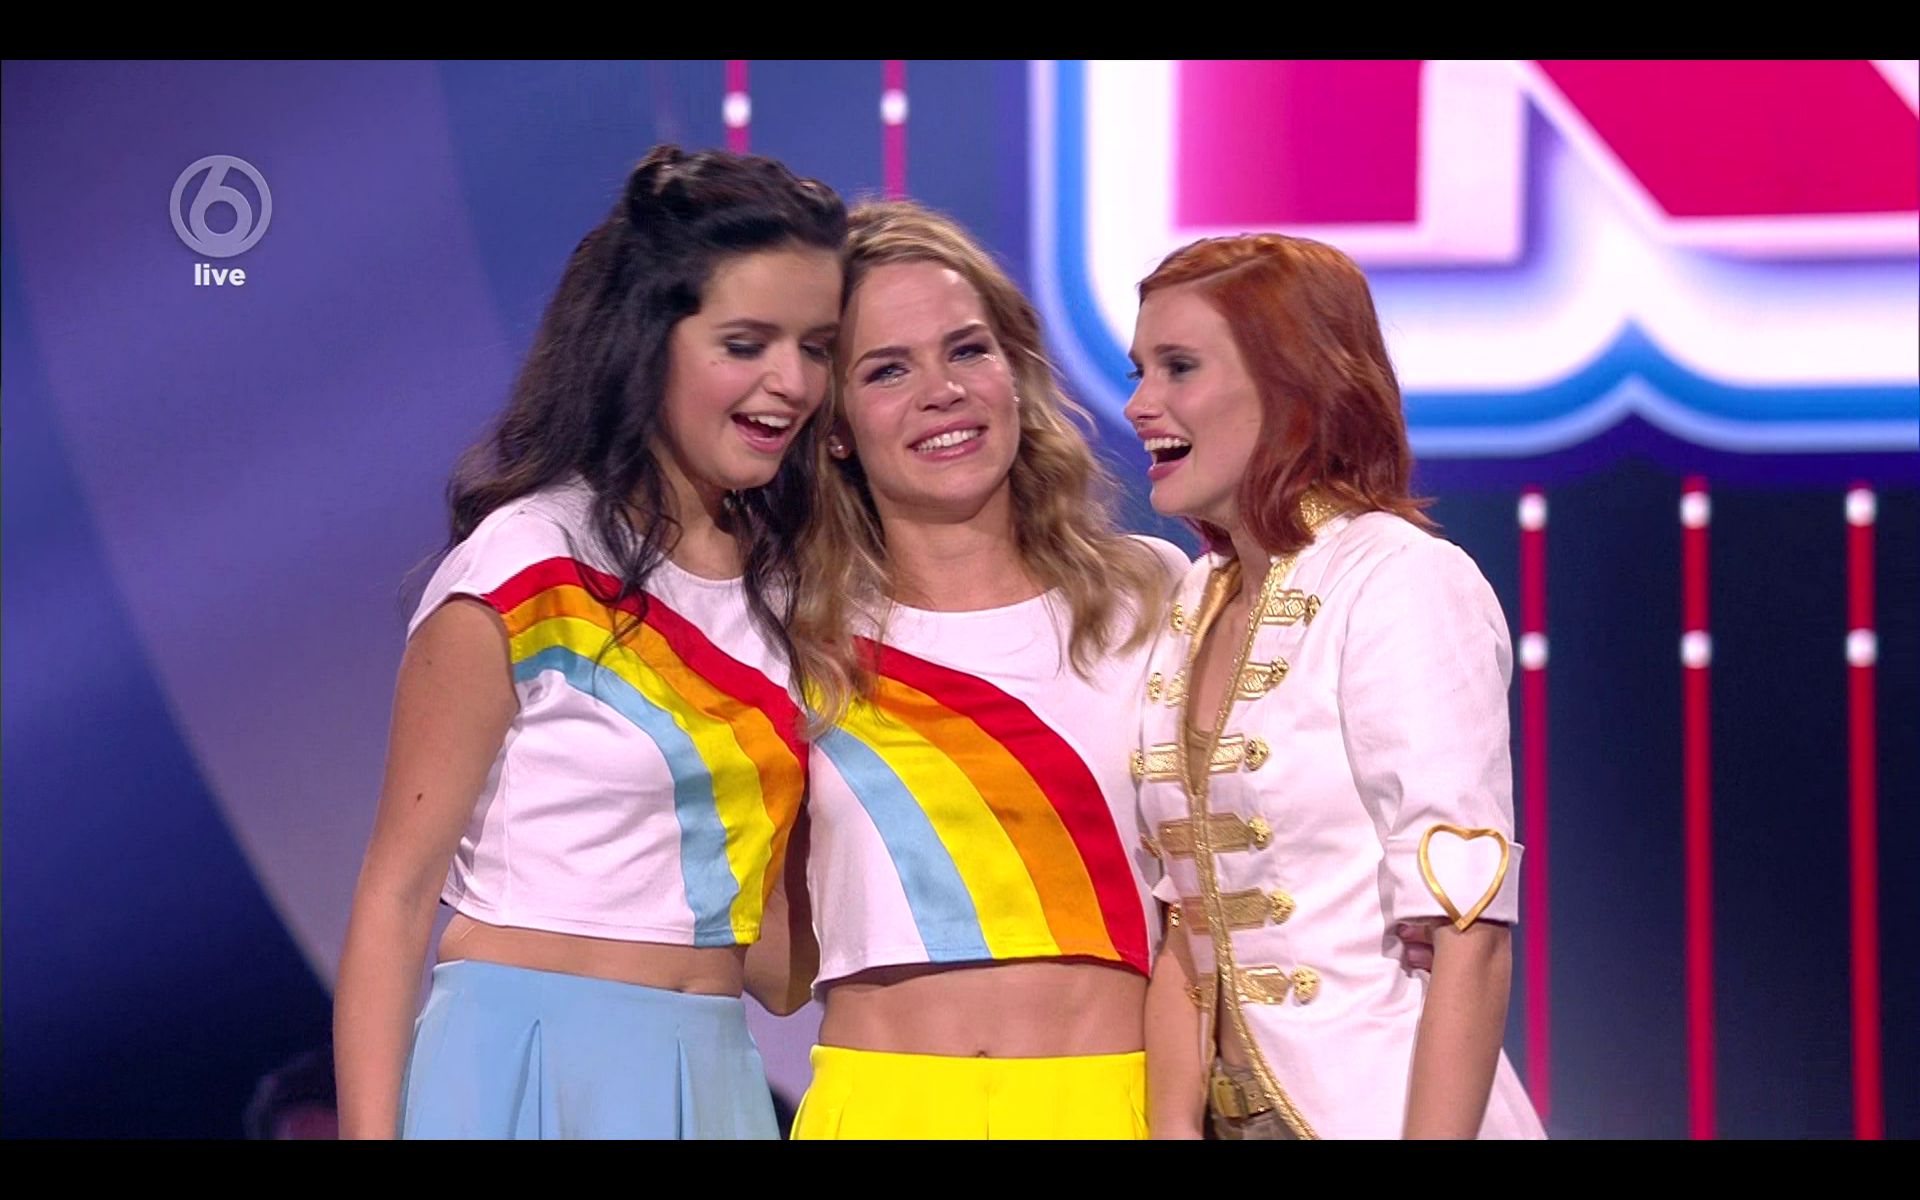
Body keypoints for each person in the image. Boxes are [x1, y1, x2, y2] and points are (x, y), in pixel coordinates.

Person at [332, 145, 845, 1139]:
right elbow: (395, 898)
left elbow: (784, 972)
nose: (790, 381)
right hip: (525, 1065)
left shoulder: (794, 594)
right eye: (746, 343)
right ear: (645, 341)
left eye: (815, 347)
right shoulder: (527, 563)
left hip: (713, 1072)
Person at [778, 201, 1187, 1139]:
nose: (943, 392)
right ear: (834, 426)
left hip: (1115, 1104)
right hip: (881, 1110)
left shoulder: (1153, 594)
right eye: (887, 370)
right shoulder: (794, 634)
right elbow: (766, 950)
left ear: (1015, 372)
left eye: (967, 350)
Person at [1125, 233, 1546, 1140]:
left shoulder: (1399, 579)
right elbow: (1185, 924)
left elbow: (1470, 930)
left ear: (1294, 386)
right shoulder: (1196, 598)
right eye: (1140, 370)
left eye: (1179, 368)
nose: (1139, 404)